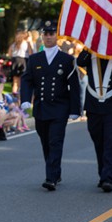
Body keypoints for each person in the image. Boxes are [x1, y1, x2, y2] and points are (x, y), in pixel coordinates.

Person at [20, 20, 81, 191]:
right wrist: (25, 99)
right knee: (46, 142)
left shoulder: (67, 59)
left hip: (60, 107)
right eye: (45, 33)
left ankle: (51, 177)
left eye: (51, 33)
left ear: (57, 36)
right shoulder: (34, 59)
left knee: (55, 141)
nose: (48, 37)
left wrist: (76, 109)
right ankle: (56, 170)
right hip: (41, 108)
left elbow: (74, 86)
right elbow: (27, 80)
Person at [75, 50, 112, 193]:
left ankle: (108, 177)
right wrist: (89, 46)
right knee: (99, 141)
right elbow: (80, 62)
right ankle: (103, 172)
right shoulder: (90, 52)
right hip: (94, 104)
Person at [9, 31, 33, 95]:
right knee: (23, 79)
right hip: (23, 61)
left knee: (15, 80)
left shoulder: (14, 44)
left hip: (15, 61)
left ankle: (14, 94)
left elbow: (10, 54)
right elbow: (31, 53)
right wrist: (30, 42)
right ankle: (21, 94)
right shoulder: (26, 43)